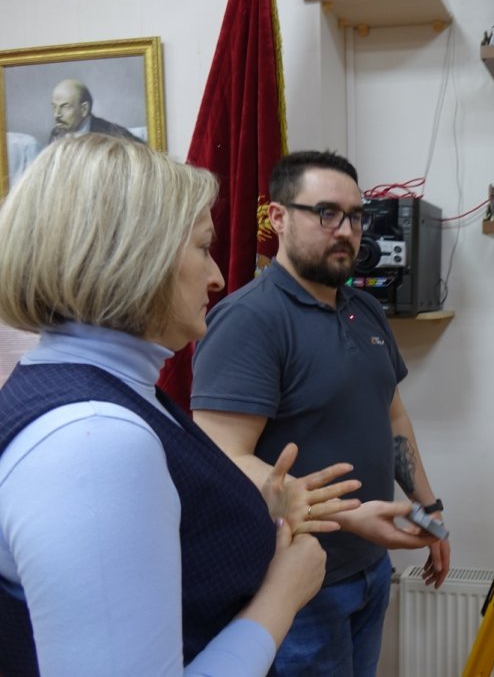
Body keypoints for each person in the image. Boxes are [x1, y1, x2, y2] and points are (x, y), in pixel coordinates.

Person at [0, 133, 361, 676]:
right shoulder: (93, 440)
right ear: (134, 255)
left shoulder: (109, 393)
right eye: (203, 248)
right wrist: (284, 594)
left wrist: (255, 513)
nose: (216, 277)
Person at [190, 150, 451, 677]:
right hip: (297, 584)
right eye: (326, 213)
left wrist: (429, 506)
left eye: (355, 216)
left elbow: (393, 418)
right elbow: (222, 457)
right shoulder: (248, 320)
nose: (346, 231)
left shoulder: (365, 308)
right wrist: (343, 515)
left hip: (369, 568)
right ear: (279, 217)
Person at [49, 79, 144, 143]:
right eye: (54, 107)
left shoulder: (113, 134)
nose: (56, 114)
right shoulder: (57, 134)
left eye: (65, 107)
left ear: (84, 109)